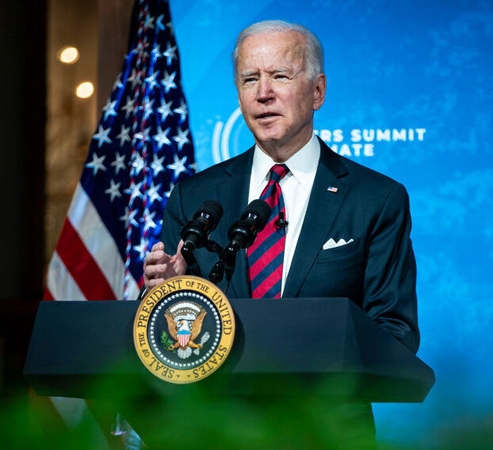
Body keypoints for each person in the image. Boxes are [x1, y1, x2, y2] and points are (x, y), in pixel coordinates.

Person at [142, 19, 420, 447]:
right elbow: (172, 342)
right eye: (250, 78)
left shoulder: (375, 199)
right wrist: (174, 293)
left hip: (325, 432)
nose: (263, 93)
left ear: (318, 92)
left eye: (280, 76)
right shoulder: (196, 196)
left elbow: (395, 332)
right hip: (215, 431)